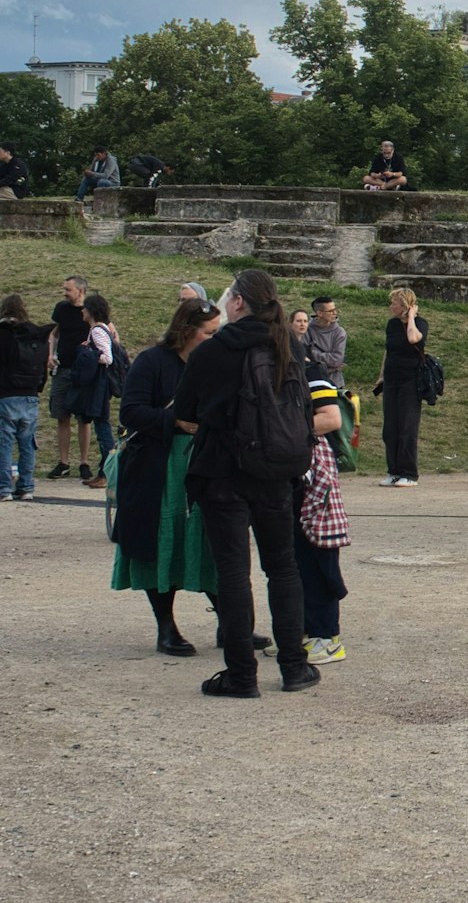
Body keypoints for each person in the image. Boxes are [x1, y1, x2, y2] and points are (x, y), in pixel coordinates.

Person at [171, 269, 320, 698]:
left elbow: (186, 412)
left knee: (234, 575)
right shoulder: (289, 344)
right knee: (283, 567)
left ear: (237, 304)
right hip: (275, 470)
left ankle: (241, 674)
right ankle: (294, 666)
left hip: (223, 472)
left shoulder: (212, 352)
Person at [111, 299, 222, 657]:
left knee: (214, 542)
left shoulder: (213, 364)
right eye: (210, 333)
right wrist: (173, 421)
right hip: (159, 468)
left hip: (205, 463)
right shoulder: (152, 361)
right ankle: (166, 628)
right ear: (188, 330)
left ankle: (231, 624)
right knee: (161, 542)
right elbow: (131, 411)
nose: (215, 339)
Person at [296, 364, 350, 665]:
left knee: (317, 553)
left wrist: (279, 432)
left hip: (313, 471)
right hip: (285, 471)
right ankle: (300, 631)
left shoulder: (309, 370)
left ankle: (327, 636)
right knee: (289, 557)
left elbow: (330, 418)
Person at [0, 294, 53, 501]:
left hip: (5, 395)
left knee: (4, 444)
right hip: (30, 395)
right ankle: (26, 487)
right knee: (27, 445)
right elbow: (43, 365)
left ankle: (4, 489)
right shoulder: (34, 333)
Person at [376, 286, 428, 487]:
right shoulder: (391, 325)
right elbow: (388, 351)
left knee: (407, 426)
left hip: (410, 380)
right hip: (392, 379)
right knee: (390, 427)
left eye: (395, 303)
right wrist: (381, 375)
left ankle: (409, 473)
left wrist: (412, 317)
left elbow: (413, 338)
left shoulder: (420, 324)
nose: (391, 306)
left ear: (405, 306)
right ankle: (394, 471)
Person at [69, 294, 122, 487]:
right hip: (100, 386)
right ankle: (104, 471)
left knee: (102, 428)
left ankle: (107, 472)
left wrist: (88, 352)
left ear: (91, 311)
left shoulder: (97, 330)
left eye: (85, 308)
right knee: (101, 425)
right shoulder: (101, 329)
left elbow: (107, 358)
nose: (82, 311)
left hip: (98, 386)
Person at [48, 276, 92, 481]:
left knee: (84, 418)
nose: (64, 292)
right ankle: (64, 462)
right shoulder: (62, 309)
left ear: (80, 291)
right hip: (63, 368)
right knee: (62, 416)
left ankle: (84, 462)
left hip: (84, 371)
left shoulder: (91, 309)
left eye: (68, 289)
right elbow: (54, 334)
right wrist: (50, 354)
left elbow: (109, 332)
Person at [305, 295, 347, 387]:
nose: (335, 313)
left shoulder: (339, 332)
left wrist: (312, 354)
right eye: (331, 311)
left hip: (334, 382)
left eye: (335, 309)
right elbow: (303, 357)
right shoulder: (306, 330)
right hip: (312, 382)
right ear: (319, 313)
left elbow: (336, 360)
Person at [0, 142, 31, 210]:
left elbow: (9, 180)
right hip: (4, 190)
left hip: (14, 192)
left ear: (7, 152)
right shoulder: (3, 166)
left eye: (0, 152)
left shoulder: (18, 165)